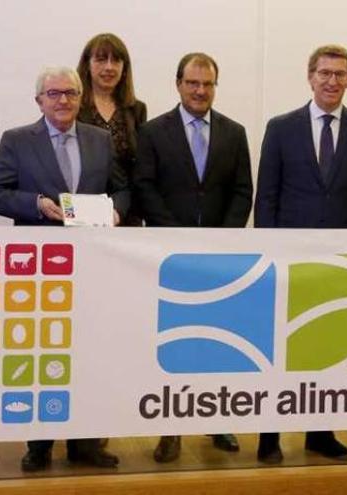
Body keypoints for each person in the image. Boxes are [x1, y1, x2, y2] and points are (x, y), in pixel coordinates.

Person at [0, 66, 127, 471]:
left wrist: (116, 211)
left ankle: (86, 443)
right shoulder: (17, 140)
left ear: (81, 97)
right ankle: (39, 444)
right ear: (39, 100)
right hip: (39, 270)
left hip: (93, 266)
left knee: (91, 352)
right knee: (42, 354)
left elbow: (123, 188)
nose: (63, 100)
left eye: (71, 93)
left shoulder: (99, 139)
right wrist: (36, 205)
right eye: (54, 93)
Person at [254, 44, 347, 464]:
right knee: (277, 350)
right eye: (324, 73)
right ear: (310, 77)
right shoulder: (280, 127)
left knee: (328, 348)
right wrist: (267, 253)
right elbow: (266, 196)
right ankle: (268, 436)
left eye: (340, 74)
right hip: (287, 260)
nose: (332, 81)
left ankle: (320, 432)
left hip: (340, 262)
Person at [132, 52, 251, 462]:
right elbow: (145, 187)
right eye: (193, 83)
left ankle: (219, 421)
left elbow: (242, 191)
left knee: (219, 342)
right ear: (178, 83)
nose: (201, 91)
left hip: (219, 257)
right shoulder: (151, 132)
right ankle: (170, 429)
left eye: (208, 84)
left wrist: (223, 239)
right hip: (169, 256)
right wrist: (175, 235)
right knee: (174, 345)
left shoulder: (234, 133)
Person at [77, 33, 147, 226]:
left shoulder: (136, 109)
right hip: (82, 211)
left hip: (127, 212)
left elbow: (140, 163)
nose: (109, 67)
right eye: (101, 59)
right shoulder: (72, 108)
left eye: (116, 60)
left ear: (124, 68)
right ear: (87, 65)